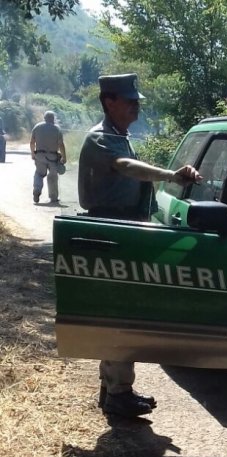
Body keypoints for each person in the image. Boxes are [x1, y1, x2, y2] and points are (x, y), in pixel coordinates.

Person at [78, 73, 202, 418]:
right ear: (109, 102)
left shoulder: (118, 135)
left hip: (121, 230)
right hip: (112, 231)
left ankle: (111, 388)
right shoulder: (102, 138)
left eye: (137, 100)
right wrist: (171, 174)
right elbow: (127, 167)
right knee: (122, 314)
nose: (136, 105)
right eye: (130, 100)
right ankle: (119, 392)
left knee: (118, 313)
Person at [30, 110, 67, 203]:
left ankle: (37, 190)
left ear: (44, 118)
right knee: (53, 177)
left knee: (39, 174)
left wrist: (33, 153)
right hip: (52, 157)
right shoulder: (57, 129)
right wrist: (64, 157)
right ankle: (53, 197)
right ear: (53, 118)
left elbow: (32, 142)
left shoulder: (37, 127)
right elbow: (61, 144)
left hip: (39, 155)